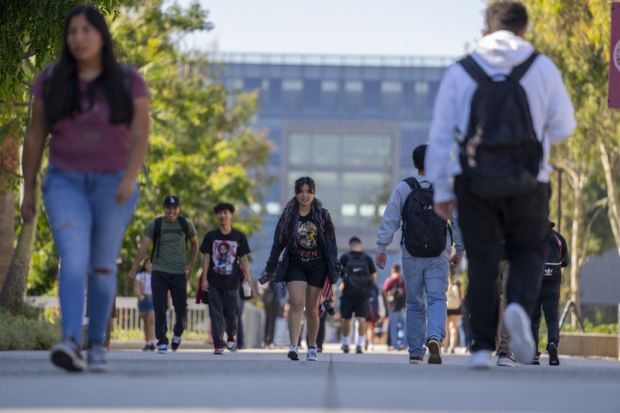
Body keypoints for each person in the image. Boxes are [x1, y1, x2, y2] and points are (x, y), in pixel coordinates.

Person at [425, 1, 576, 368]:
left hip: (475, 182)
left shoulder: (462, 70)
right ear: (524, 30)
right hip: (529, 181)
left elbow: (440, 136)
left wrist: (441, 192)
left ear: (486, 30)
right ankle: (519, 309)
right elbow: (564, 127)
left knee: (482, 261)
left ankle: (479, 348)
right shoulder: (541, 66)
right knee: (527, 251)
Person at [21, 5, 149, 372]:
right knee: (73, 260)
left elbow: (141, 133)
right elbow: (34, 135)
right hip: (65, 182)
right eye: (72, 31)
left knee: (102, 266)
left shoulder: (128, 81)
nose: (79, 37)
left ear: (101, 36)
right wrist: (28, 189)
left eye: (86, 30)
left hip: (114, 184)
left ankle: (97, 345)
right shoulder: (51, 79)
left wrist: (128, 178)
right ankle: (70, 341)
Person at [376, 144, 464, 365]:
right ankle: (434, 337)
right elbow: (458, 223)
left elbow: (390, 219)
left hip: (412, 253)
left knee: (414, 302)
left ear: (416, 164)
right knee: (437, 299)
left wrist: (381, 247)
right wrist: (459, 250)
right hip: (439, 253)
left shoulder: (404, 188)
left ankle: (416, 351)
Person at [262, 177, 338, 362]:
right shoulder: (288, 215)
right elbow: (277, 244)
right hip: (295, 264)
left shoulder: (322, 215)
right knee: (296, 303)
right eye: (301, 191)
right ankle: (294, 346)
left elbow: (331, 245)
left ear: (313, 193)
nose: (304, 195)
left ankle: (312, 347)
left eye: (308, 191)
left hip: (317, 267)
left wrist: (333, 270)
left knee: (312, 309)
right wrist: (270, 268)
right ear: (296, 193)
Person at [129, 195, 199, 354]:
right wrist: (134, 268)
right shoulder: (155, 224)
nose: (171, 210)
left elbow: (195, 244)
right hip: (159, 270)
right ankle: (162, 340)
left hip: (179, 272)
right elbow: (143, 247)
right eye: (168, 207)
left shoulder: (185, 224)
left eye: (175, 207)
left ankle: (178, 332)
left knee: (181, 307)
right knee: (159, 306)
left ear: (179, 208)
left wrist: (191, 265)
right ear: (164, 208)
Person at [200, 202, 253, 355]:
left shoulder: (239, 236)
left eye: (225, 212)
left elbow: (243, 258)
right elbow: (206, 257)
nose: (222, 215)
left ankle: (231, 334)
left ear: (231, 215)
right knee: (215, 313)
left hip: (232, 282)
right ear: (217, 216)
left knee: (231, 312)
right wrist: (204, 278)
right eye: (219, 213)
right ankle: (218, 344)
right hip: (214, 280)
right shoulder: (211, 236)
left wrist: (248, 278)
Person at [531, 221, 568, 366]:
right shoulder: (559, 238)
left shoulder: (532, 238)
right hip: (553, 285)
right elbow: (565, 262)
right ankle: (552, 343)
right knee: (552, 319)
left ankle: (533, 354)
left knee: (534, 319)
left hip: (535, 284)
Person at [339, 236, 377, 354]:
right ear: (360, 246)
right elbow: (374, 275)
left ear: (350, 245)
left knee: (346, 319)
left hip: (348, 293)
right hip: (363, 294)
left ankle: (345, 344)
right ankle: (359, 345)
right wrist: (368, 286)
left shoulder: (345, 257)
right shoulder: (366, 258)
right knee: (361, 319)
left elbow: (339, 273)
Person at [383, 264, 407, 350]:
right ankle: (403, 344)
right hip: (401, 307)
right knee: (404, 325)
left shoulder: (389, 280)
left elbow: (384, 292)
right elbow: (405, 293)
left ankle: (394, 344)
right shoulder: (402, 280)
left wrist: (387, 305)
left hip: (392, 307)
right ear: (399, 271)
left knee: (393, 326)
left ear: (392, 271)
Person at [134, 260, 156, 351]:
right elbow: (136, 287)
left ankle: (153, 341)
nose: (150, 265)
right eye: (148, 264)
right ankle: (148, 342)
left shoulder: (157, 276)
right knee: (146, 322)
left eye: (152, 264)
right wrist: (140, 295)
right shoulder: (140, 275)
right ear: (145, 265)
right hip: (143, 299)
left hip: (153, 299)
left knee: (151, 321)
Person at [444, 269, 464, 354]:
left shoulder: (444, 282)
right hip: (456, 308)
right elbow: (462, 296)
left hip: (446, 307)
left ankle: (445, 347)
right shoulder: (458, 283)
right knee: (453, 328)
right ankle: (451, 346)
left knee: (446, 328)